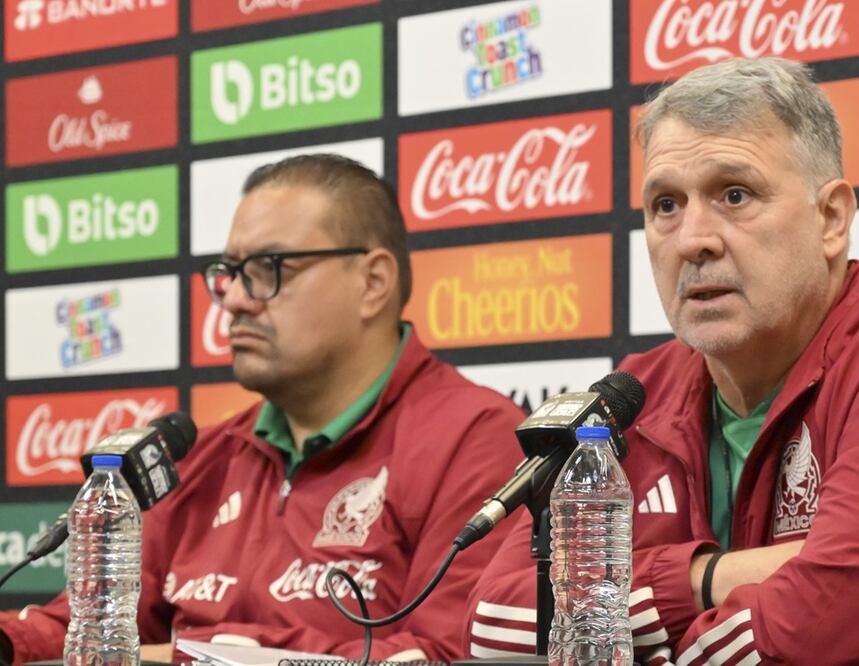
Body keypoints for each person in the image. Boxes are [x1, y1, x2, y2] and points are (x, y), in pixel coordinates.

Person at [464, 58, 859, 664]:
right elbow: (494, 621)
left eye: (735, 194)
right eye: (666, 205)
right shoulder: (636, 394)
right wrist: (711, 577)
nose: (692, 239)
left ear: (831, 218)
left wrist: (617, 613)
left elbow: (825, 636)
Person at [0, 154, 525, 663]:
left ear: (373, 283)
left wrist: (199, 655)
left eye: (269, 267)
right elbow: (85, 627)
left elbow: (446, 653)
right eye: (230, 271)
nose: (234, 300)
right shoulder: (203, 456)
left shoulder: (477, 438)